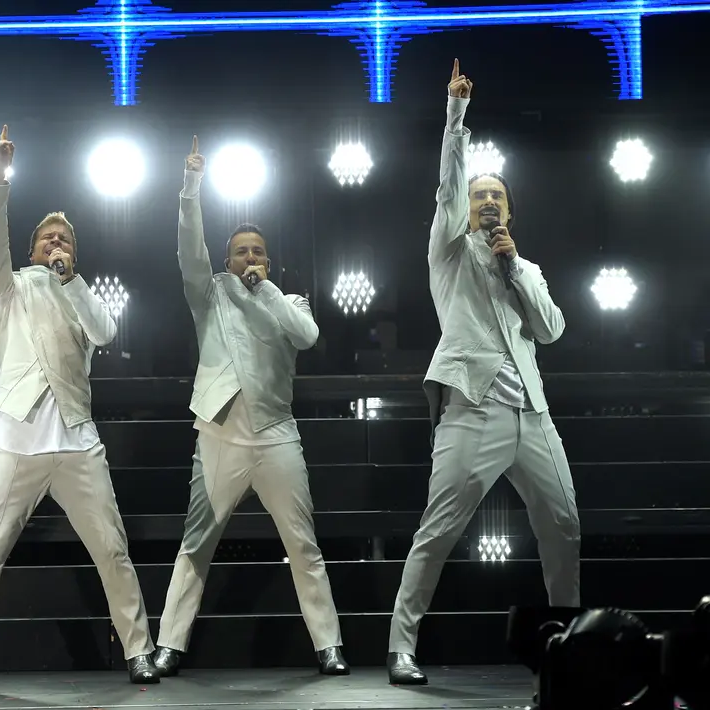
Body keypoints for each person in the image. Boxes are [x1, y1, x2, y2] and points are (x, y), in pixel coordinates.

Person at [386, 60, 581, 685]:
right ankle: (400, 646)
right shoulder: (448, 250)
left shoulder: (524, 266)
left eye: (498, 196)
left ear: (511, 213)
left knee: (564, 524)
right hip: (474, 407)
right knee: (440, 526)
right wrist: (455, 116)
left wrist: (517, 267)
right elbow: (447, 185)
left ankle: (569, 647)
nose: (488, 201)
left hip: (533, 411)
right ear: (466, 208)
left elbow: (550, 330)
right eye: (481, 195)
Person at [0, 126, 158, 687]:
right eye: (47, 241)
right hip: (17, 437)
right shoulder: (7, 290)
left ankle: (139, 650)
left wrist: (73, 280)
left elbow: (106, 332)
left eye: (64, 241)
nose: (55, 247)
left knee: (112, 547)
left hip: (76, 440)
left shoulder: (81, 294)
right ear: (33, 249)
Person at [151, 136, 348, 678]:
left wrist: (267, 292)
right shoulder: (209, 291)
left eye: (258, 252)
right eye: (241, 252)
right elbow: (188, 246)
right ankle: (169, 642)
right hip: (220, 433)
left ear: (268, 260)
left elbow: (306, 337)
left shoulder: (288, 301)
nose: (250, 259)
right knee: (196, 543)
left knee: (301, 542)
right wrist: (191, 187)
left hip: (277, 434)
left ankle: (328, 644)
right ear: (228, 258)